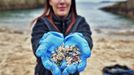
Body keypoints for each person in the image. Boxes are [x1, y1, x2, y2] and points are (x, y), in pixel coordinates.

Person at [31, 0, 93, 75]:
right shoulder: (41, 22)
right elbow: (36, 42)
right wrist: (41, 44)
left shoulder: (80, 21)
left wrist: (84, 41)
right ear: (50, 2)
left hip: (71, 71)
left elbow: (87, 37)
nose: (62, 1)